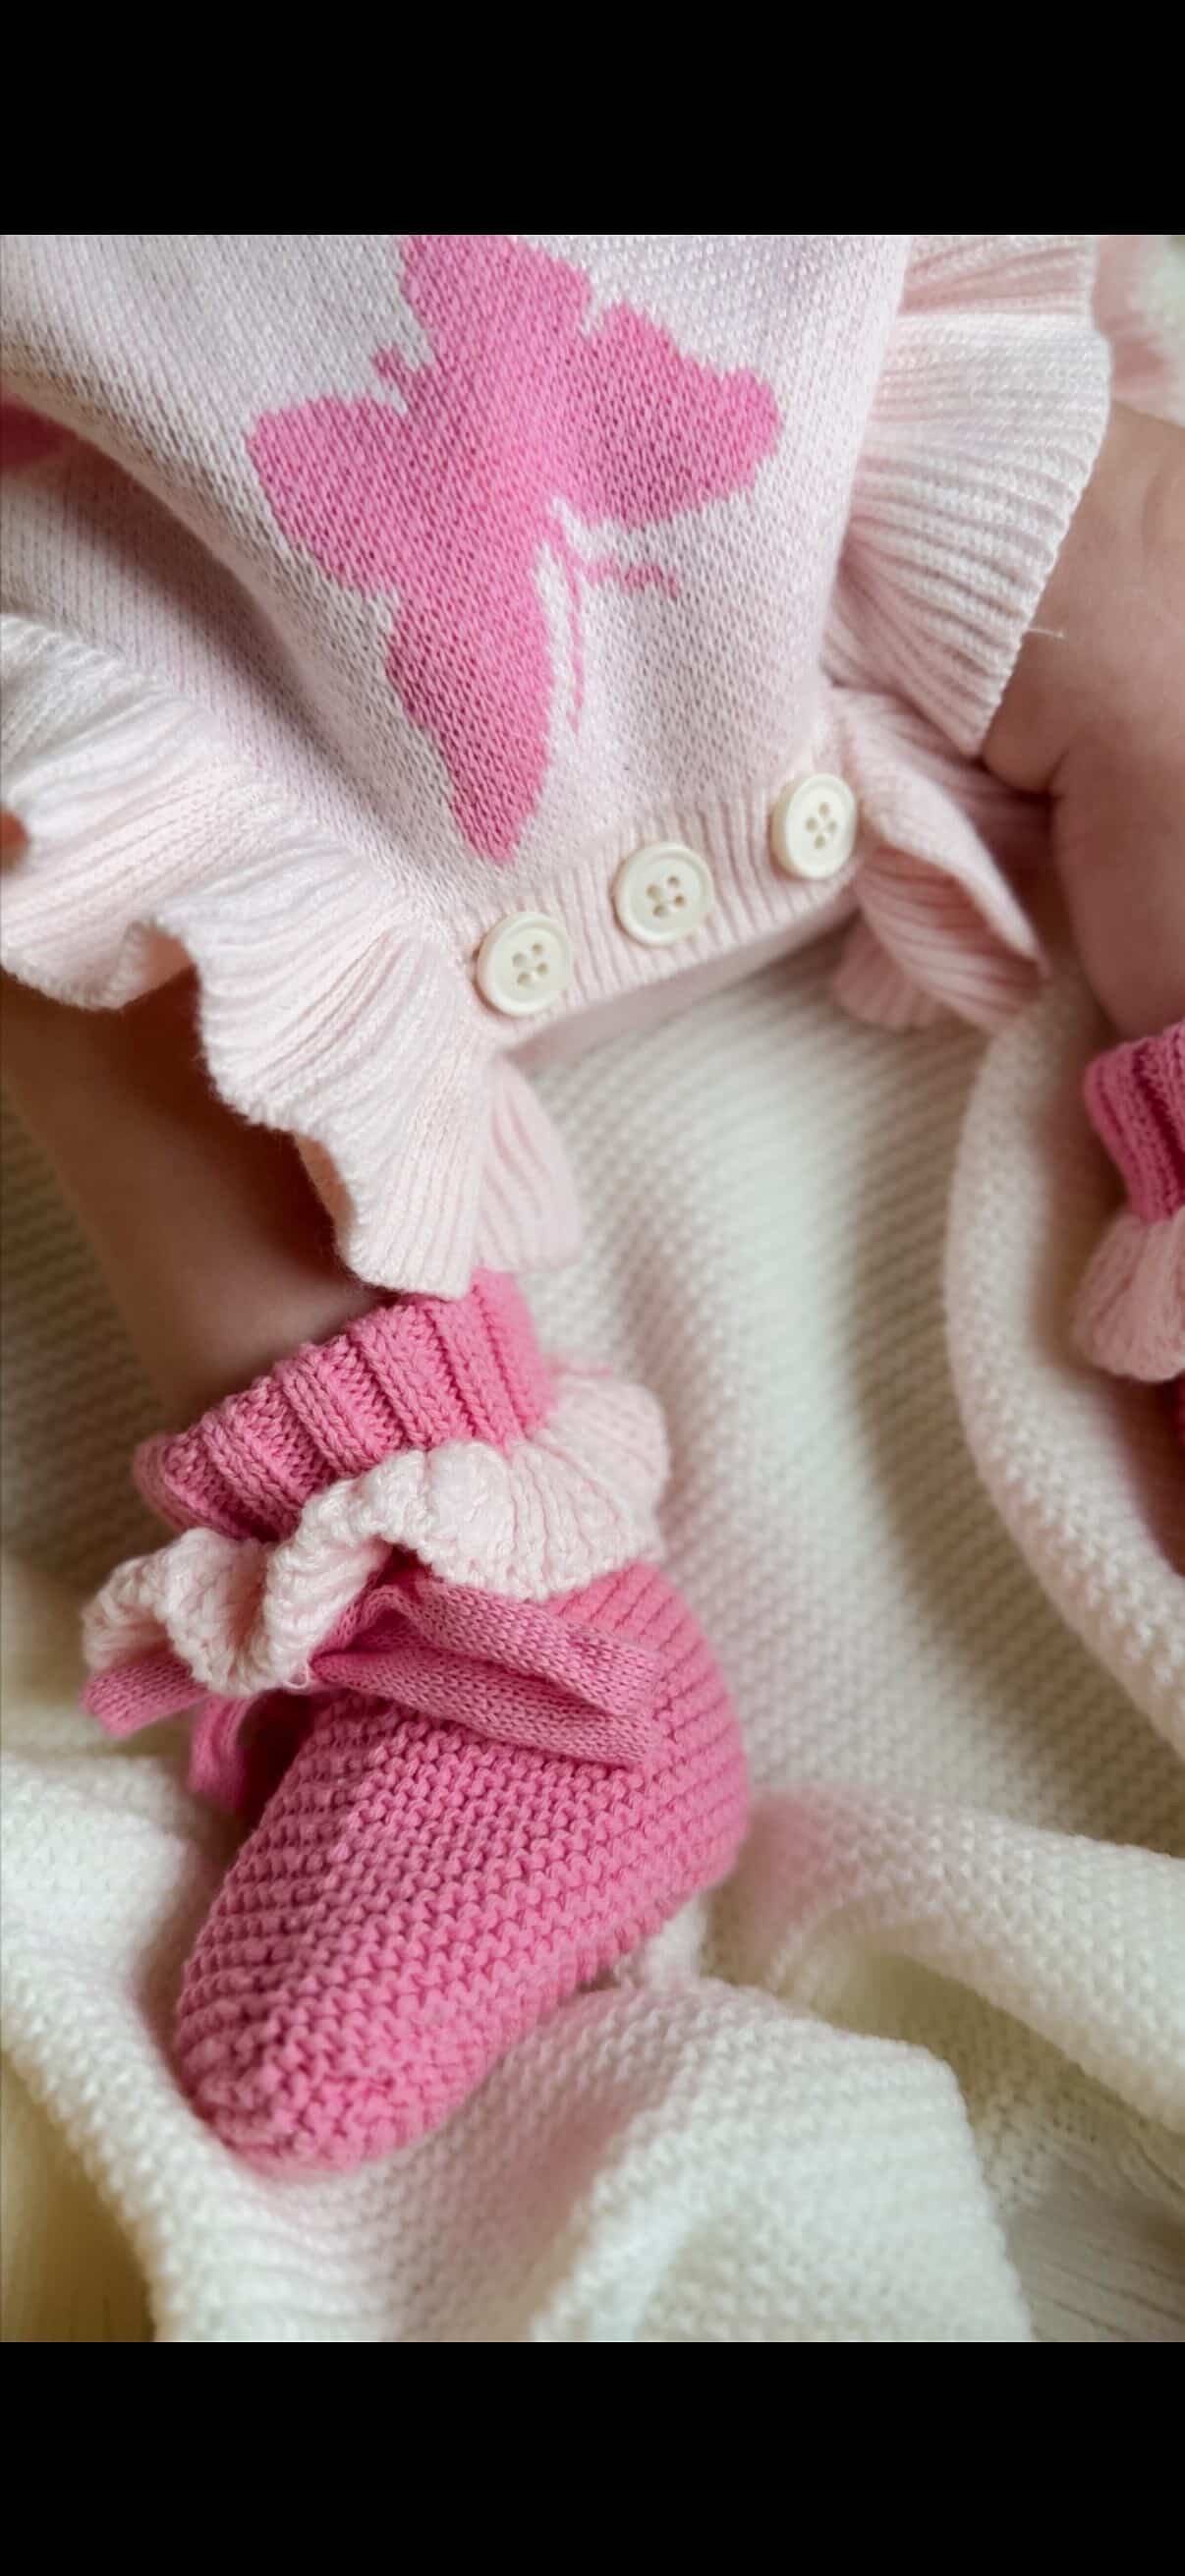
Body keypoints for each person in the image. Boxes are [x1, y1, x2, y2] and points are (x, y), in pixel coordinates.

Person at [1, 233, 1181, 2172]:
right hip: (210, 645)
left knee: (1145, 569)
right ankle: (518, 1665)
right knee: (76, 922)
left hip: (791, 400)